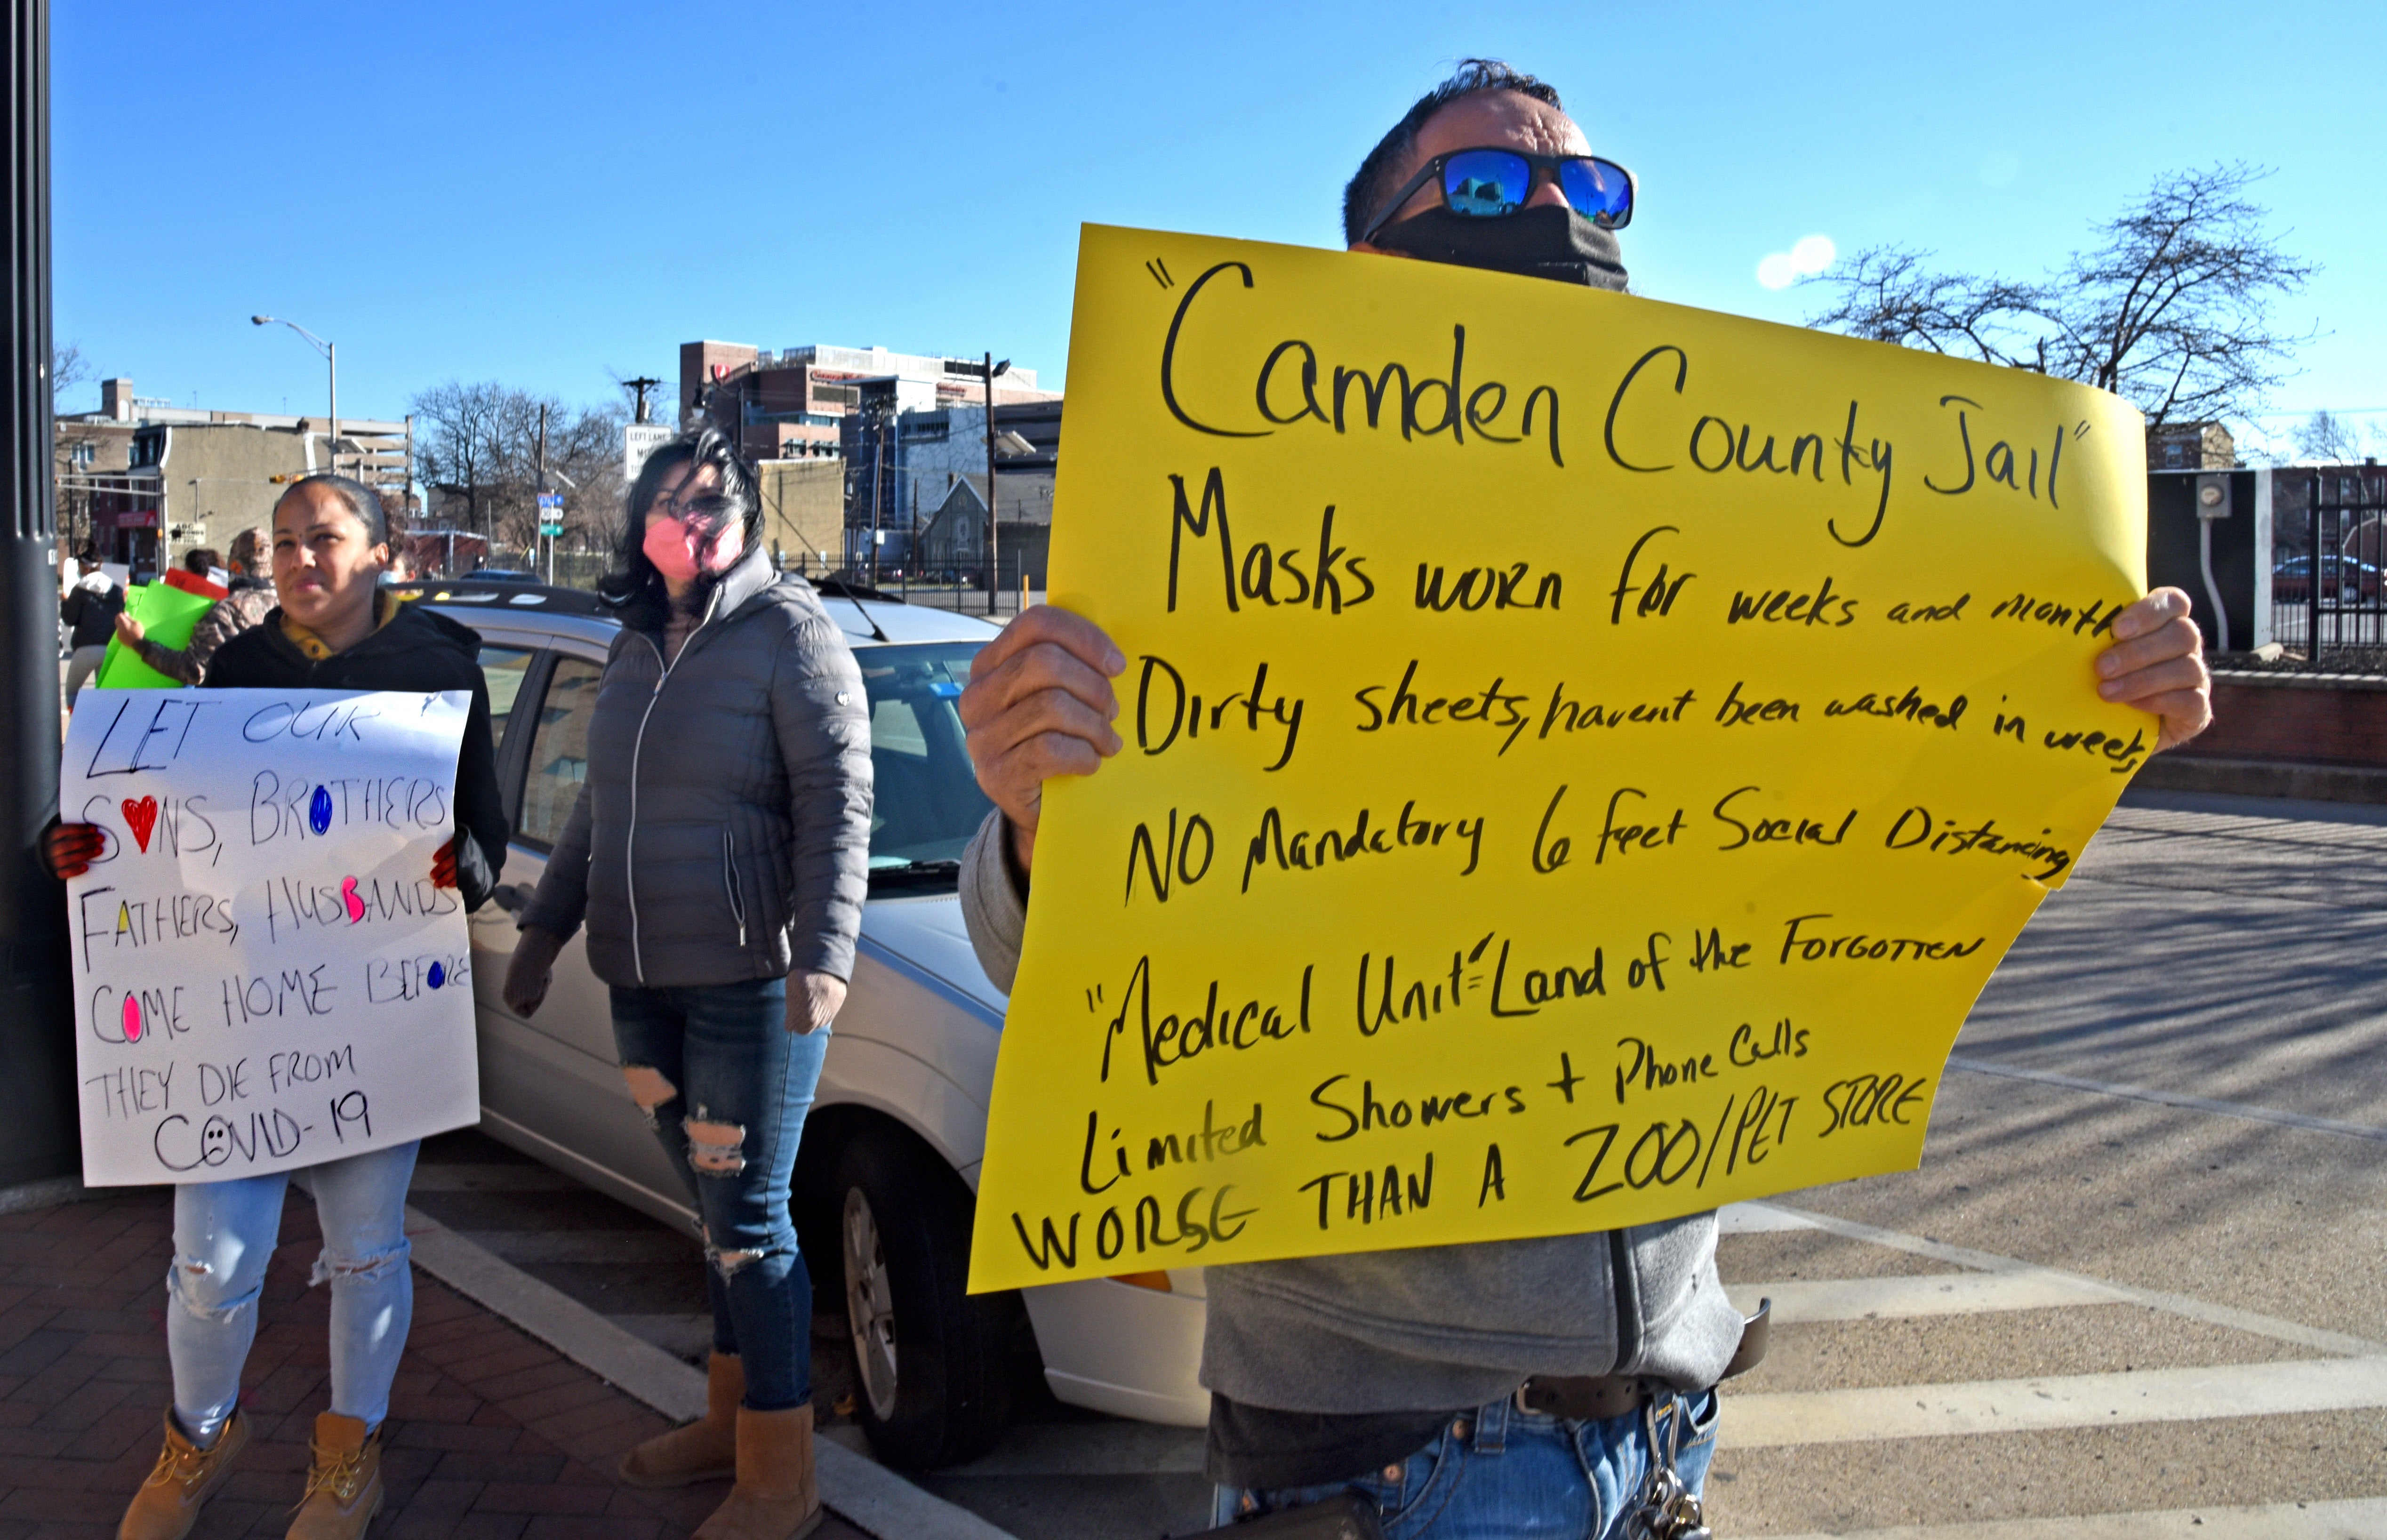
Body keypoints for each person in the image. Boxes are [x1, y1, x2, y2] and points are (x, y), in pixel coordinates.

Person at [950, 61, 2219, 1540]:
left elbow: (1871, 855)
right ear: (1366, 262)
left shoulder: (1719, 557)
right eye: (1487, 185)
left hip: (1665, 1415)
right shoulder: (1230, 537)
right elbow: (1056, 963)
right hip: (1385, 1451)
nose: (1550, 212)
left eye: (1584, 186)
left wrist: (2076, 721)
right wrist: (1038, 815)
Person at [47, 473, 509, 1540]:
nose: (304, 559)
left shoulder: (439, 669)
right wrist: (66, 843)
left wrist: (460, 866)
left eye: (329, 538)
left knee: (365, 1249)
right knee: (211, 1259)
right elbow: (147, 812)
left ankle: (351, 1451)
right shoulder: (237, 667)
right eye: (288, 541)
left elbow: (479, 833)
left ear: (380, 550)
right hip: (237, 1013)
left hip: (371, 1015)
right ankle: (199, 1432)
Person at [499, 426, 872, 1540]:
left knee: (750, 1219)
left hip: (748, 989)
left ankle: (780, 1465)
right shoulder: (629, 643)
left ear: (745, 518)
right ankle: (730, 1416)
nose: (692, 520)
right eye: (671, 504)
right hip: (640, 991)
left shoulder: (787, 635)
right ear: (642, 530)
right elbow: (590, 810)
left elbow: (839, 802)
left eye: (713, 502)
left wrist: (828, 954)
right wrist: (542, 934)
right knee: (710, 1206)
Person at [115, 545, 280, 685]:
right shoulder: (286, 605)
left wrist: (138, 643)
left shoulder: (229, 611)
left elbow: (194, 671)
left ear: (234, 565)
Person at [59, 563, 122, 704]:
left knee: (72, 692)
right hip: (110, 648)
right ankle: (102, 723)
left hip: (85, 648)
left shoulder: (79, 589)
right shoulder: (117, 590)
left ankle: (77, 721)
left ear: (85, 569)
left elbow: (70, 619)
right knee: (104, 694)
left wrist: (65, 602)